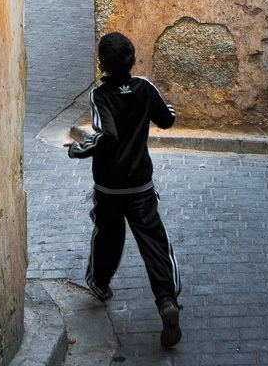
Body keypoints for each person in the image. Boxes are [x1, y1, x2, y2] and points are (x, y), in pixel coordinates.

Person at [64, 32, 182, 348]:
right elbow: (167, 119)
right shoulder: (144, 87)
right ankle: (166, 300)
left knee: (107, 237)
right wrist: (156, 106)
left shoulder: (101, 94)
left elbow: (107, 137)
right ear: (133, 59)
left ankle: (100, 284)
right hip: (141, 184)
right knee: (154, 241)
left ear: (102, 63)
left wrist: (77, 149)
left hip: (110, 187)